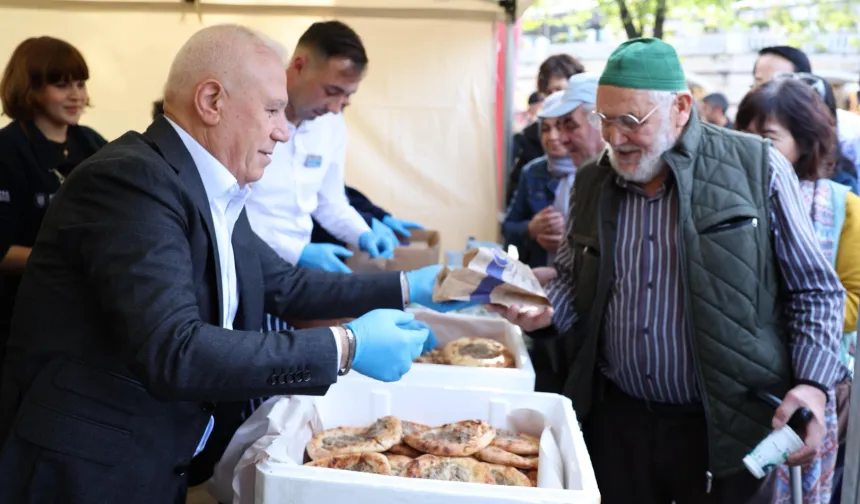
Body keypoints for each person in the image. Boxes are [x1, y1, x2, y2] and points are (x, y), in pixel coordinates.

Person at [0, 24, 460, 504]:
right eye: (272, 110)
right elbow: (174, 349)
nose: (283, 131)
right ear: (211, 101)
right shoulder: (131, 181)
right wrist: (344, 346)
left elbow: (285, 284)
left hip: (151, 453)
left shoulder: (209, 186)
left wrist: (412, 286)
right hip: (87, 471)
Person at [491, 37, 847, 504]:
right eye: (605, 119)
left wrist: (814, 386)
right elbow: (577, 285)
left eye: (631, 120)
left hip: (724, 423)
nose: (615, 137)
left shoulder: (757, 167)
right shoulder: (594, 180)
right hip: (619, 419)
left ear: (680, 106)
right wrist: (544, 309)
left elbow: (815, 291)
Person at [736, 76, 858, 504]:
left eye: (768, 139)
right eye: (745, 137)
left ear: (804, 144)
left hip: (813, 382)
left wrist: (789, 318)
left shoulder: (844, 206)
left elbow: (852, 297)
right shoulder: (731, 204)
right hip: (749, 379)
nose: (753, 150)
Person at [244, 21, 394, 277]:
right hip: (248, 263)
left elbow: (329, 201)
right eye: (331, 91)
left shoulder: (331, 124)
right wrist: (295, 251)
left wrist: (362, 232)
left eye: (346, 97)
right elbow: (229, 208)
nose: (335, 108)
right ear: (299, 66)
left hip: (297, 271)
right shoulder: (249, 116)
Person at [0, 36, 107, 384]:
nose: (76, 95)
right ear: (29, 88)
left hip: (83, 316)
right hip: (22, 317)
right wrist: (70, 264)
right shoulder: (7, 150)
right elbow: (1, 253)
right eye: (62, 85)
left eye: (80, 83)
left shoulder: (92, 143)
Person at [503, 74, 603, 269]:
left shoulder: (601, 173)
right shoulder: (533, 172)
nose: (556, 137)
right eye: (546, 129)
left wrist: (569, 246)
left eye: (568, 126)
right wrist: (530, 229)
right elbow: (508, 228)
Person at [507, 54, 585, 205]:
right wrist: (531, 226)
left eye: (560, 90)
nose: (555, 137)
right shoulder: (530, 140)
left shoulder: (594, 132)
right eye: (549, 93)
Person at [752, 45, 860, 142]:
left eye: (778, 83)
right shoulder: (748, 120)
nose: (767, 91)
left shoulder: (848, 131)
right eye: (759, 82)